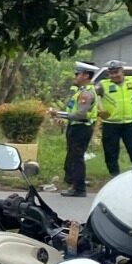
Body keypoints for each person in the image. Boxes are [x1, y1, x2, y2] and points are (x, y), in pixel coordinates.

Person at [96, 59, 132, 176]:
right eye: (111, 73)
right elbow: (90, 96)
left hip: (130, 124)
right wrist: (97, 111)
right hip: (110, 124)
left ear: (122, 71)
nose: (114, 75)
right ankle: (114, 176)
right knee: (111, 152)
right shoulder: (103, 85)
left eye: (116, 72)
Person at [53, 62, 98, 197]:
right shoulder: (80, 91)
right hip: (76, 126)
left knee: (77, 158)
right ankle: (73, 183)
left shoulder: (86, 93)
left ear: (86, 75)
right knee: (73, 157)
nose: (75, 76)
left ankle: (79, 188)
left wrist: (59, 114)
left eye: (77, 74)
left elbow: (80, 114)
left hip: (81, 127)